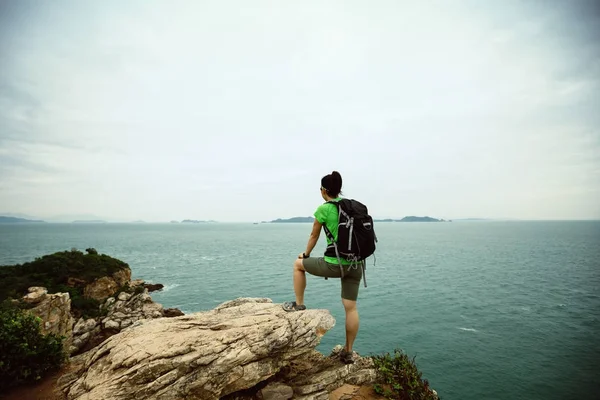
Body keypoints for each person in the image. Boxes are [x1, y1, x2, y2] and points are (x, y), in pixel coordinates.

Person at [282, 170, 363, 364]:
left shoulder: (324, 209)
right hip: (356, 265)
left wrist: (306, 254)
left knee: (298, 265)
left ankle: (299, 304)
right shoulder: (352, 207)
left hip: (335, 265)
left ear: (324, 191)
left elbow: (313, 235)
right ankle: (348, 352)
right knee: (351, 308)